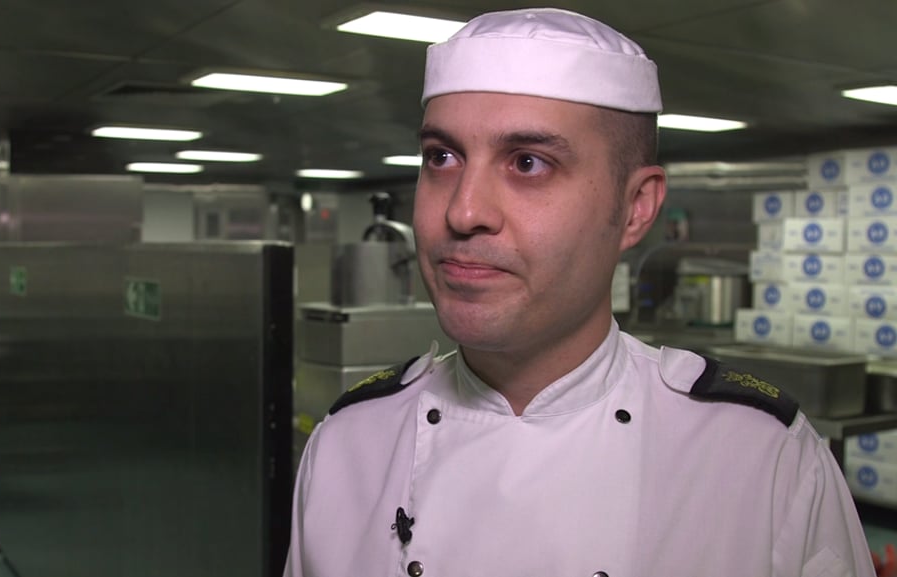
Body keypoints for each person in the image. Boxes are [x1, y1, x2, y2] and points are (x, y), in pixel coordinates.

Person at [284, 7, 875, 576]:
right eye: (442, 156)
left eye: (528, 163)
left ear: (635, 207)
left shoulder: (761, 460)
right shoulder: (349, 444)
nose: (463, 210)